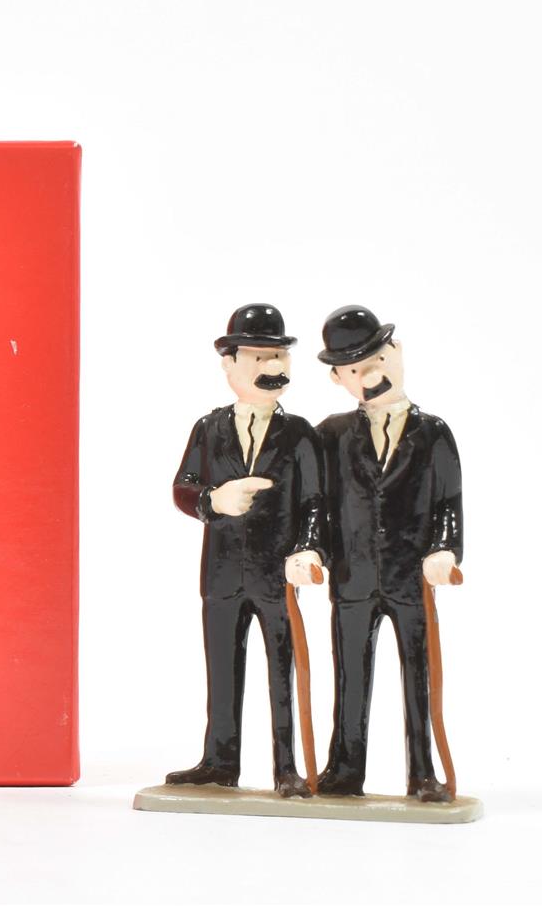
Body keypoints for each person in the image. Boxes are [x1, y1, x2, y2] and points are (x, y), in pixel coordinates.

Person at [166, 303, 326, 798]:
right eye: (258, 357)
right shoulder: (208, 428)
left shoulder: (300, 434)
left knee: (282, 671)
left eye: (278, 356)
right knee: (222, 671)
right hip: (221, 575)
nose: (271, 367)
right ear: (230, 364)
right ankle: (219, 762)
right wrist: (213, 500)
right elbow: (183, 487)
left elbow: (316, 502)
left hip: (276, 574)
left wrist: (308, 549)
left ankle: (286, 767)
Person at [312, 305, 463, 803]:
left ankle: (422, 772)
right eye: (354, 369)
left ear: (396, 352)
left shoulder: (433, 432)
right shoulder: (331, 435)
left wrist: (444, 549)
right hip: (352, 578)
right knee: (349, 677)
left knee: (417, 677)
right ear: (338, 378)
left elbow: (448, 503)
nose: (370, 376)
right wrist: (310, 549)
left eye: (377, 360)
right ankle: (344, 770)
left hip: (409, 578)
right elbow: (316, 503)